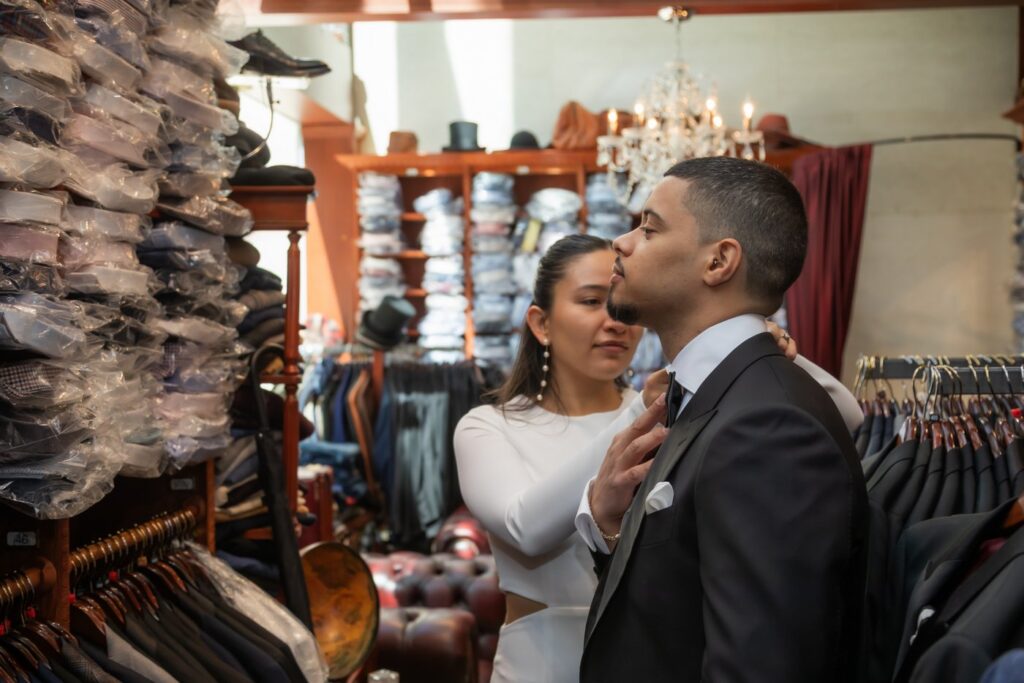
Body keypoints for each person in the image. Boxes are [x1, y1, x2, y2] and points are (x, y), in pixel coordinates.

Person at [454, 234, 863, 683]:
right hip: (540, 666)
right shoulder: (489, 427)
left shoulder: (673, 407)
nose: (613, 322)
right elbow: (524, 528)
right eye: (591, 301)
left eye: (618, 302)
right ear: (541, 322)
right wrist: (643, 412)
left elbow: (848, 414)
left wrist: (767, 349)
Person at [578, 157, 869, 682]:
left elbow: (761, 666)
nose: (620, 242)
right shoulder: (709, 395)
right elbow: (674, 606)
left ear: (718, 262)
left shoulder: (769, 426)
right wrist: (613, 529)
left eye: (649, 228)